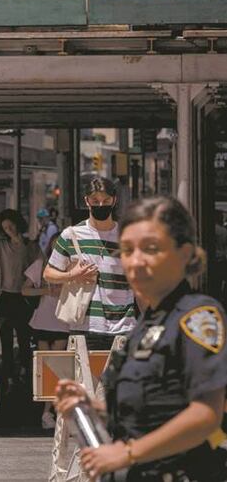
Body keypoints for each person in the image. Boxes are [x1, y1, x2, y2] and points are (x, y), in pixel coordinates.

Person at [55, 196, 227, 480]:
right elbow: (145, 410)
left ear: (184, 253)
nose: (136, 261)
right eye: (127, 250)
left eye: (151, 249)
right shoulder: (142, 327)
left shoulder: (198, 317)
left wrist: (128, 453)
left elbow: (206, 415)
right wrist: (91, 408)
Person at [44, 178, 136, 351]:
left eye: (106, 201)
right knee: (85, 378)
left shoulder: (128, 236)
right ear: (87, 201)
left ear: (114, 201)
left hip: (125, 326)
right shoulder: (71, 236)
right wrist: (72, 275)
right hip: (86, 326)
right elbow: (48, 273)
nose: (101, 205)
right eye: (95, 201)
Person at [0, 209, 40, 388]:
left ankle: (26, 375)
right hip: (5, 297)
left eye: (11, 225)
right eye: (5, 227)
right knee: (6, 340)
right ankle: (7, 376)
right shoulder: (0, 245)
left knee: (24, 338)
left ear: (18, 224)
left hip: (24, 297)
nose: (9, 229)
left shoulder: (30, 245)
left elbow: (39, 262)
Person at [22, 230, 68, 430]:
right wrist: (47, 291)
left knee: (57, 367)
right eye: (55, 245)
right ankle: (47, 412)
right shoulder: (41, 265)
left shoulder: (72, 267)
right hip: (42, 322)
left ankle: (50, 411)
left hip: (63, 322)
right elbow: (24, 289)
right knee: (45, 368)